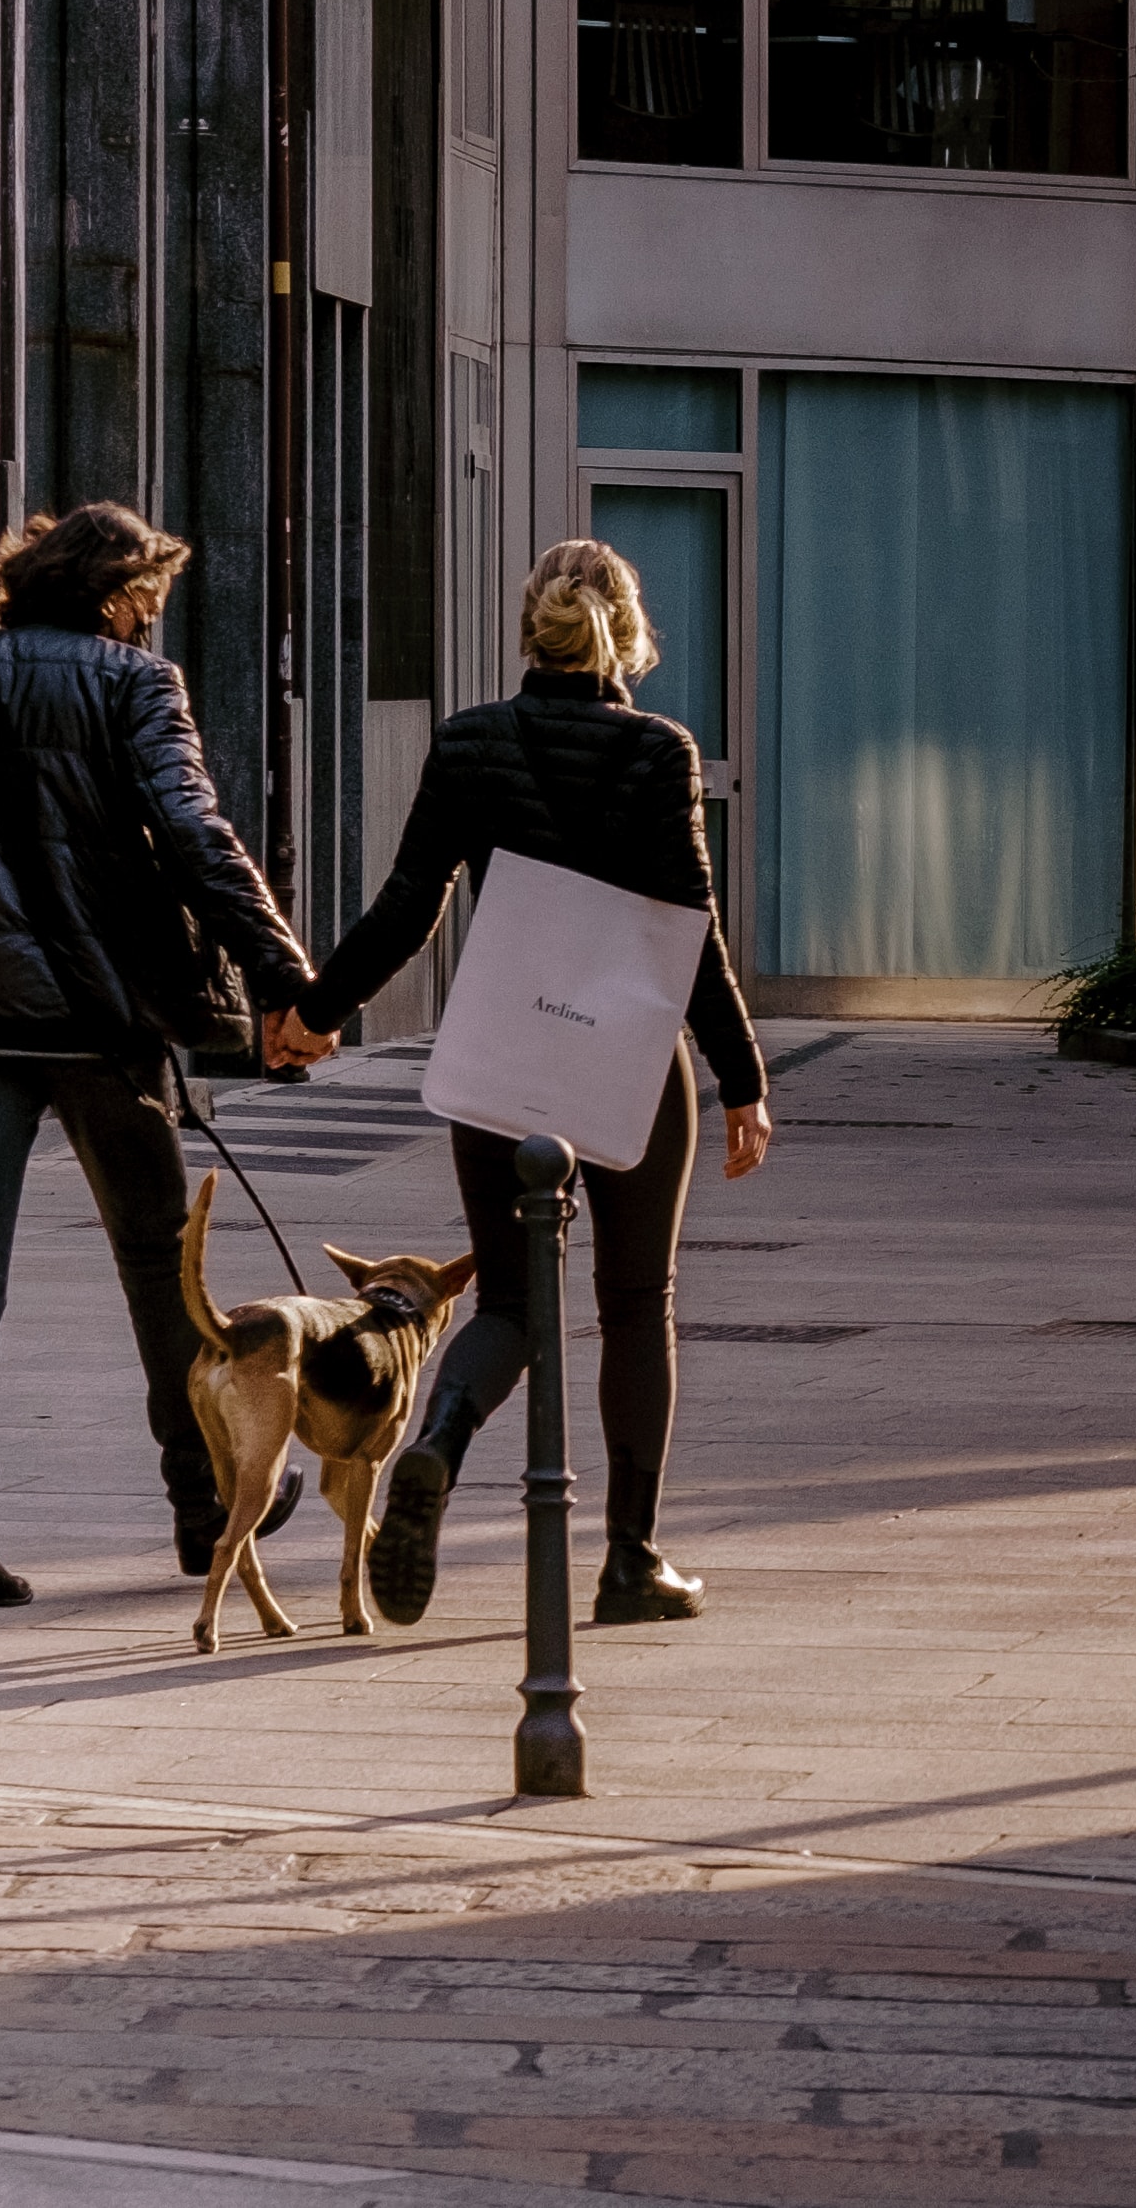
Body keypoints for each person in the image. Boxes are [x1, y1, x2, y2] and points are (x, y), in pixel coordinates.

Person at [0, 500, 333, 1613]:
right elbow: (197, 836)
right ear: (113, 591)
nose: (155, 612)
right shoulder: (135, 684)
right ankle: (203, 1505)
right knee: (159, 1263)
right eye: (148, 592)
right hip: (104, 1021)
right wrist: (285, 979)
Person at [289, 539, 774, 1630]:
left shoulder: (468, 743)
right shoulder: (657, 751)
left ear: (530, 629)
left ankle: (438, 1443)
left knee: (510, 1300)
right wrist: (742, 1078)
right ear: (629, 635)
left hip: (499, 1058)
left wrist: (313, 1012)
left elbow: (406, 909)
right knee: (635, 1302)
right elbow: (691, 936)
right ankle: (629, 1561)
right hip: (628, 1066)